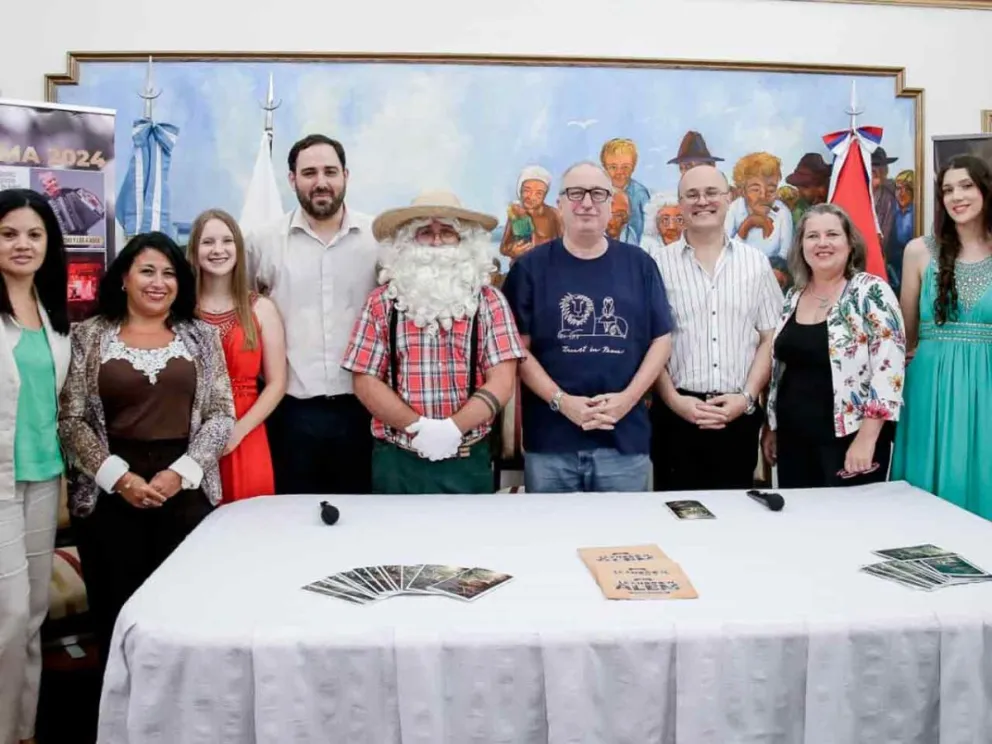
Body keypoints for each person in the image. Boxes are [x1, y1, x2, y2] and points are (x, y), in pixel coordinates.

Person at [58, 232, 234, 669]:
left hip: (186, 490)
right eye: (148, 271)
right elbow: (71, 420)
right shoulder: (88, 335)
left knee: (184, 613)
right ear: (123, 278)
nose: (159, 282)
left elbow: (222, 414)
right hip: (109, 495)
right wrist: (120, 478)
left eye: (170, 273)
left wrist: (180, 473)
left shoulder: (200, 337)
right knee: (118, 613)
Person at [502, 161, 673, 493]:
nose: (587, 203)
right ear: (561, 204)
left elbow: (661, 340)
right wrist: (562, 402)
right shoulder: (528, 269)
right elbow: (517, 349)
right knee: (552, 539)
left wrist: (627, 399)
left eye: (598, 194)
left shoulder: (640, 265)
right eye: (576, 193)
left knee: (621, 540)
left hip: (623, 440)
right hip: (551, 443)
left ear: (610, 205)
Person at [342, 191, 525, 493]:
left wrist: (453, 429)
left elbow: (503, 380)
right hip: (397, 462)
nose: (437, 241)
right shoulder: (380, 303)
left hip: (468, 460)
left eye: (448, 232)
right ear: (407, 242)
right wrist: (419, 428)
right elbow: (364, 378)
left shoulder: (490, 302)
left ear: (464, 242)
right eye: (426, 232)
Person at [245, 134, 378, 495]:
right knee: (292, 523)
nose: (321, 182)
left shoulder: (377, 238)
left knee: (361, 522)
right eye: (309, 173)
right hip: (289, 414)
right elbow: (241, 312)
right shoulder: (262, 242)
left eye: (330, 171)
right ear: (292, 179)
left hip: (363, 411)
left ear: (346, 176)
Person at [653, 165, 783, 491]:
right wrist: (673, 400)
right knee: (674, 520)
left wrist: (747, 397)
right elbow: (648, 342)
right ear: (681, 203)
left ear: (728, 198)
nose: (702, 202)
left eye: (712, 193)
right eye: (692, 195)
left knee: (734, 523)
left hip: (738, 417)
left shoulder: (756, 264)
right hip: (675, 418)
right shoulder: (656, 265)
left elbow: (770, 337)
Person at [764, 204, 906, 488]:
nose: (822, 243)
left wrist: (867, 438)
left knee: (849, 527)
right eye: (812, 236)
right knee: (800, 527)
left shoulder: (870, 291)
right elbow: (782, 369)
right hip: (793, 440)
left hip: (849, 440)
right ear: (801, 246)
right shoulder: (793, 296)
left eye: (832, 234)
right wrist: (772, 427)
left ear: (850, 244)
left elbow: (889, 370)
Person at [0, 189, 70, 744]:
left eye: (33, 234)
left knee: (33, 616)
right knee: (7, 617)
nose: (22, 244)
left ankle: (22, 729)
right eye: (8, 234)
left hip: (44, 477)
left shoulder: (51, 314)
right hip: (0, 483)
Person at [892, 155, 992, 517]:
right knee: (925, 492)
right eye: (947, 189)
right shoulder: (919, 251)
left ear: (985, 189)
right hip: (929, 385)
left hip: (988, 387)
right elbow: (907, 334)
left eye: (966, 186)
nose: (956, 196)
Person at [189, 209, 286, 503]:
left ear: (238, 249)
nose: (218, 250)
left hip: (246, 430)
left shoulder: (261, 309)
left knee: (249, 525)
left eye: (227, 241)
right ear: (194, 250)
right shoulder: (180, 310)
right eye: (208, 242)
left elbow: (277, 383)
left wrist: (238, 432)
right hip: (191, 430)